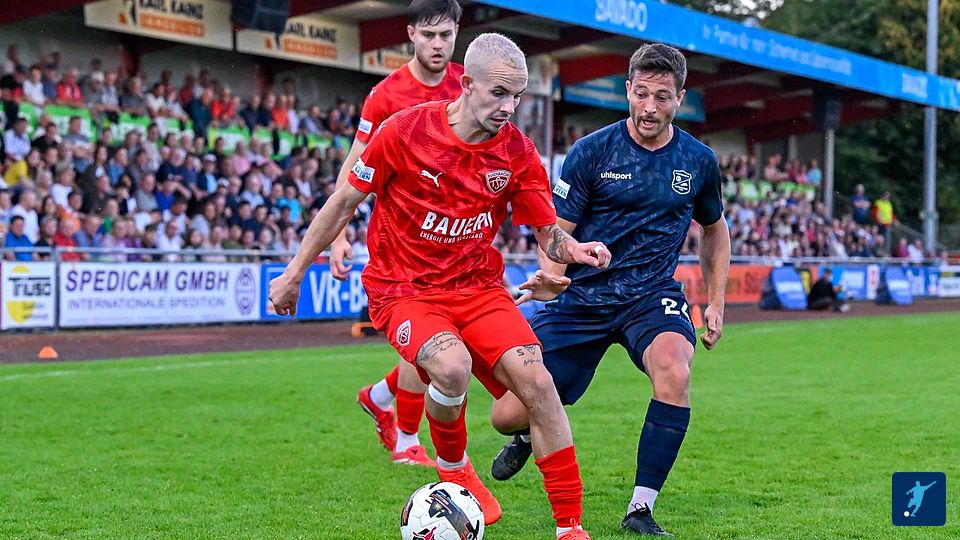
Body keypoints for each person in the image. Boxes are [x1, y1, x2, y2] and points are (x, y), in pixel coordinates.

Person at [270, 33, 605, 540]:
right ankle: (455, 471)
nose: (508, 107)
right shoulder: (405, 131)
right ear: (467, 84)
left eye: (516, 96)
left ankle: (570, 527)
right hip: (403, 288)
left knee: (539, 385)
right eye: (498, 93)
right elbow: (343, 202)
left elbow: (547, 232)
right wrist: (295, 272)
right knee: (451, 366)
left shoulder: (517, 152)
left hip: (478, 288)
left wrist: (574, 251)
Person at [486, 43, 731, 537]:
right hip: (582, 298)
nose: (649, 107)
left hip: (651, 295)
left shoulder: (698, 160)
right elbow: (556, 230)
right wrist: (552, 276)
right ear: (627, 90)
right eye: (641, 94)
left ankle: (640, 508)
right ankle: (527, 434)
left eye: (662, 97)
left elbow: (715, 230)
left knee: (674, 371)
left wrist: (716, 301)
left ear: (679, 98)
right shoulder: (592, 151)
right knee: (505, 415)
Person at [326, 0, 467, 468]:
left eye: (446, 35)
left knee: (450, 340)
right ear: (410, 34)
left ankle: (380, 397)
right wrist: (338, 236)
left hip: (451, 238)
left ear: (457, 32)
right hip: (399, 240)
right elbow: (354, 166)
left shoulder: (467, 83)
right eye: (428, 35)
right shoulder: (386, 96)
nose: (437, 44)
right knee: (425, 334)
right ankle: (407, 441)